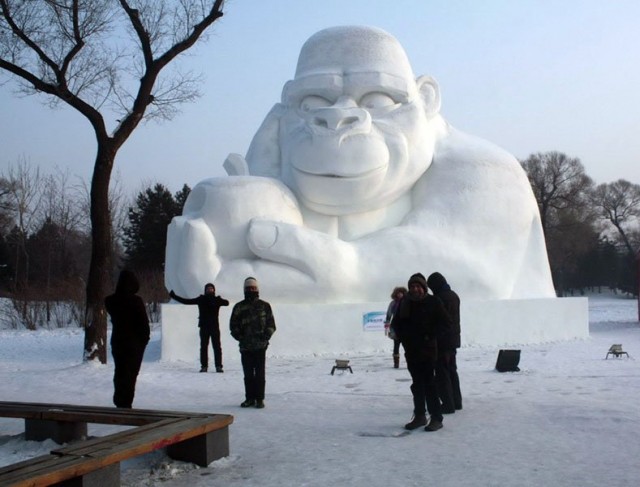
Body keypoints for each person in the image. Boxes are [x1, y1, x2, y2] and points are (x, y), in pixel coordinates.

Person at [165, 25, 555, 304]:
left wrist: (347, 272)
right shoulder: (280, 155)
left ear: (427, 99)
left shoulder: (484, 170)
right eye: (313, 102)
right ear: (286, 106)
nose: (338, 117)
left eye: (378, 99)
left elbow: (477, 276)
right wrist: (250, 202)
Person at [391, 273, 451, 432]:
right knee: (417, 385)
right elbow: (396, 323)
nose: (414, 289)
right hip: (411, 351)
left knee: (430, 384)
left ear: (424, 288)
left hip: (428, 351)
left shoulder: (433, 302)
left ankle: (436, 417)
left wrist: (430, 336)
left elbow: (446, 323)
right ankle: (419, 416)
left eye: (418, 286)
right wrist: (403, 337)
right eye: (412, 286)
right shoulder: (405, 302)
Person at [105, 270, 150, 408]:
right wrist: (144, 339)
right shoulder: (136, 301)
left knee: (120, 370)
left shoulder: (110, 300)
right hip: (134, 343)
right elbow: (143, 323)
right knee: (131, 373)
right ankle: (126, 402)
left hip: (118, 340)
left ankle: (119, 399)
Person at [229, 277, 276, 409]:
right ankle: (249, 398)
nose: (251, 290)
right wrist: (241, 338)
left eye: (253, 288)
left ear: (257, 289)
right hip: (245, 347)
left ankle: (260, 399)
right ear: (244, 290)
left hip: (260, 347)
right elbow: (233, 326)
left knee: (260, 375)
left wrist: (265, 337)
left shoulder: (264, 306)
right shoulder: (239, 307)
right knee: (248, 375)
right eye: (248, 288)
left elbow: (271, 324)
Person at [169, 284, 229, 373]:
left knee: (217, 347)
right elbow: (186, 301)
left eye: (211, 289)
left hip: (214, 327)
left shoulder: (216, 300)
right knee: (204, 347)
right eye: (208, 289)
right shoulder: (201, 299)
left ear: (214, 290)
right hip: (204, 327)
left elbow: (226, 303)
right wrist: (174, 297)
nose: (209, 290)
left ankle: (218, 366)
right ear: (205, 290)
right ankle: (204, 366)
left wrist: (219, 300)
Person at [427, 272, 462, 413]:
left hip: (442, 341)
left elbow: (440, 320)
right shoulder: (453, 295)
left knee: (442, 373)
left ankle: (447, 404)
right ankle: (457, 401)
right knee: (452, 371)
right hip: (453, 340)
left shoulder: (440, 298)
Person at [384, 286, 407, 368]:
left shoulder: (407, 302)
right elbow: (388, 315)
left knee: (407, 346)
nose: (399, 295)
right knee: (396, 345)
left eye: (401, 293)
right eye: (398, 293)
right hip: (395, 327)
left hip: (405, 327)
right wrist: (386, 327)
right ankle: (396, 363)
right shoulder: (393, 303)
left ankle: (410, 361)